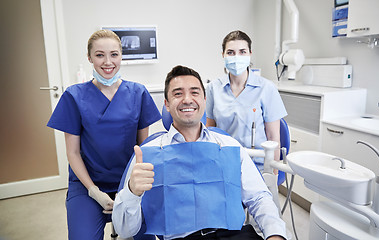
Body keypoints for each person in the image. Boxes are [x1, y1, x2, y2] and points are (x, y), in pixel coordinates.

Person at [112, 65, 287, 240]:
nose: (187, 99)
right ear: (166, 104)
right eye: (178, 94)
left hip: (235, 236)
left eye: (194, 92)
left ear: (204, 100)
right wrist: (131, 192)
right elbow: (125, 230)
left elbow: (259, 197)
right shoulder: (148, 155)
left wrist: (275, 234)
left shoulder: (229, 146)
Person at [47, 29, 161, 240]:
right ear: (89, 58)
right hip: (87, 185)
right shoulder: (74, 96)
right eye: (100, 55)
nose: (108, 61)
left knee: (147, 235)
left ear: (121, 56)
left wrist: (131, 189)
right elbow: (72, 153)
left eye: (114, 54)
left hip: (129, 182)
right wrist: (93, 191)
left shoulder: (138, 93)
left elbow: (142, 149)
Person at [205, 30, 287, 172]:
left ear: (250, 53)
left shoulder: (267, 88)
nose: (236, 57)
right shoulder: (213, 88)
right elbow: (210, 130)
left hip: (258, 165)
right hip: (224, 163)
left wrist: (272, 176)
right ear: (223, 55)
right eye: (230, 52)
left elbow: (273, 138)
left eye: (242, 52)